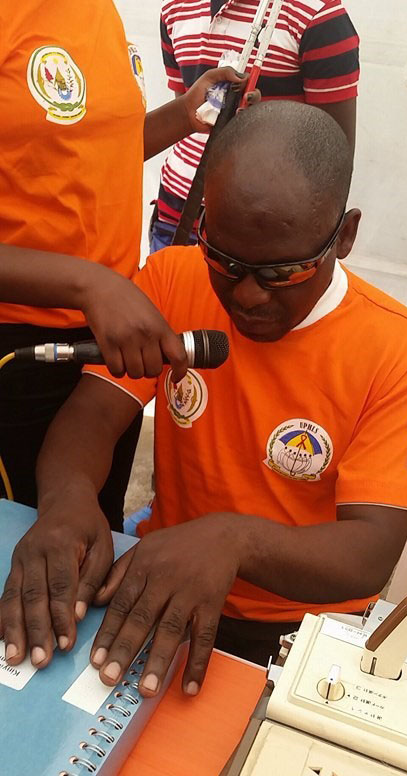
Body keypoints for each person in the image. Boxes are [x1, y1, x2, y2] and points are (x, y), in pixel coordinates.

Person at [0, 103, 407, 697]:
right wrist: (67, 500)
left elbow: (367, 553)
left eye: (282, 272)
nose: (248, 296)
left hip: (302, 625)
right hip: (160, 571)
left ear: (344, 236)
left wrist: (233, 539)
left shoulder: (405, 352)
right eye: (226, 261)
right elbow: (91, 414)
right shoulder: (172, 278)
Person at [0, 0, 248, 529]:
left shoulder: (98, 11)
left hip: (107, 338)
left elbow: (86, 151)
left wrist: (183, 115)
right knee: (25, 542)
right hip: (18, 352)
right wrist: (89, 284)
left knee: (95, 528)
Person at [150, 0, 360, 251]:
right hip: (173, 217)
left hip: (259, 233)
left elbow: (335, 155)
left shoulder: (318, 16)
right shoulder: (175, 8)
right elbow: (186, 117)